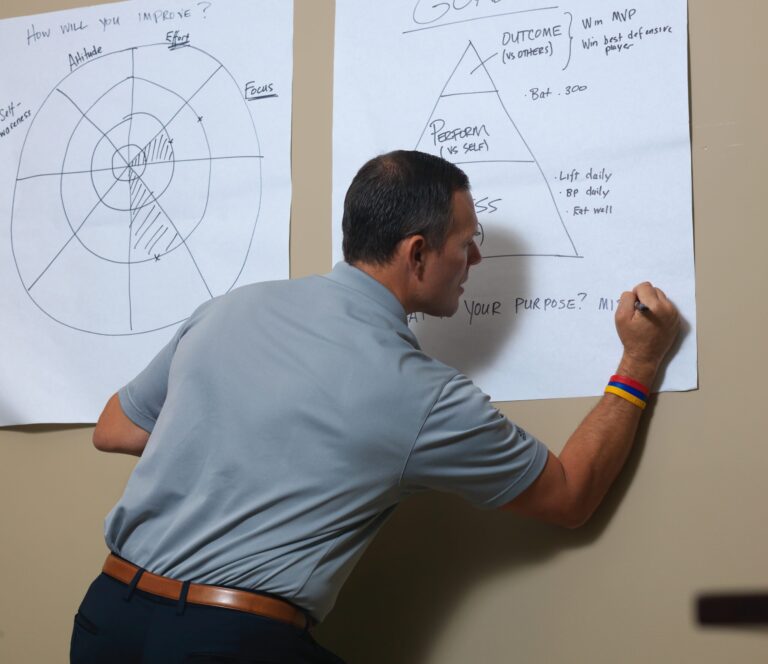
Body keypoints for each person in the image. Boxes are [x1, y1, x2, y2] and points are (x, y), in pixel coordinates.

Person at [71, 150, 680, 663]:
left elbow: (115, 427)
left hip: (106, 620)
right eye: (467, 244)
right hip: (229, 644)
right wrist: (639, 363)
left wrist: (236, 443)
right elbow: (570, 496)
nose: (475, 261)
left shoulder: (230, 308)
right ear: (417, 254)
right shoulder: (422, 394)